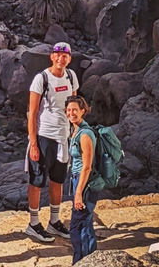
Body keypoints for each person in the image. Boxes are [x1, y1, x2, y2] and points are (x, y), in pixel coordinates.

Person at [25, 42, 79, 242]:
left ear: (69, 59)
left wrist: (76, 129)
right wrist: (33, 143)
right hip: (44, 135)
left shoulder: (71, 77)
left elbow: (73, 105)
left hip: (63, 136)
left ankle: (54, 221)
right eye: (57, 55)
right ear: (52, 57)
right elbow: (31, 112)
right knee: (37, 180)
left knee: (58, 179)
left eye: (64, 56)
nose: (61, 58)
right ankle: (33, 223)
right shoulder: (42, 79)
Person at [66, 95, 100, 263]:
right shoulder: (75, 130)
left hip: (85, 183)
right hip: (77, 180)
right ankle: (89, 260)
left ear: (83, 111)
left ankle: (81, 262)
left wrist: (78, 193)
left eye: (75, 110)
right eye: (69, 110)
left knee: (77, 228)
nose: (71, 113)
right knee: (85, 225)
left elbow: (87, 167)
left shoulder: (85, 134)